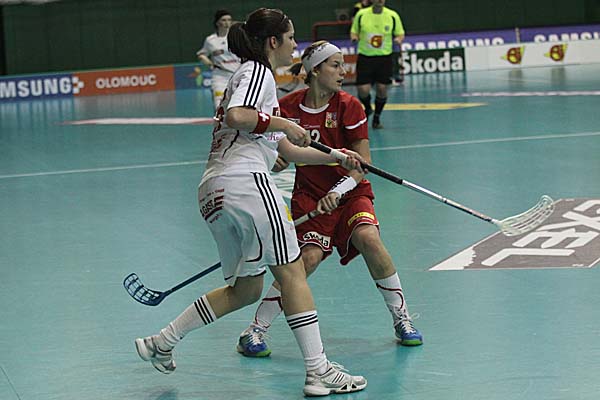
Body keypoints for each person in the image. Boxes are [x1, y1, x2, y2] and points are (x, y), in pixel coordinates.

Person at [135, 9, 367, 397]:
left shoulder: (254, 80)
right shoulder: (258, 71)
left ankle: (162, 341)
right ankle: (318, 371)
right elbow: (238, 115)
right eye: (290, 38)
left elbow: (287, 150)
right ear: (272, 42)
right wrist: (284, 122)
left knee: (246, 289)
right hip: (245, 183)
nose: (294, 45)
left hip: (214, 192)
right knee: (292, 272)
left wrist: (337, 157)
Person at [235, 40, 423, 359]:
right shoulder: (288, 108)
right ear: (314, 70)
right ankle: (255, 330)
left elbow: (362, 163)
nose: (342, 71)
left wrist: (338, 191)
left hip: (350, 192)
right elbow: (277, 151)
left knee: (369, 238)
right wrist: (276, 159)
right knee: (306, 260)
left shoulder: (350, 105)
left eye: (342, 65)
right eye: (335, 65)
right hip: (310, 196)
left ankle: (402, 318)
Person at [350, 0, 404, 129]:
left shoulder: (392, 15)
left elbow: (400, 33)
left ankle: (377, 118)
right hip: (365, 57)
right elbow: (354, 31)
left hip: (384, 58)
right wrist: (354, 37)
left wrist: (398, 39)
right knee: (363, 90)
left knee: (382, 88)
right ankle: (368, 107)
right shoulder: (361, 14)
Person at [196, 10, 241, 109]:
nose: (227, 22)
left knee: (239, 106)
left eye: (229, 20)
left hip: (238, 76)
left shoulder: (237, 36)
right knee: (219, 106)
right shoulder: (210, 40)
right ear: (217, 23)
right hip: (220, 77)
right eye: (224, 20)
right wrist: (209, 63)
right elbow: (201, 54)